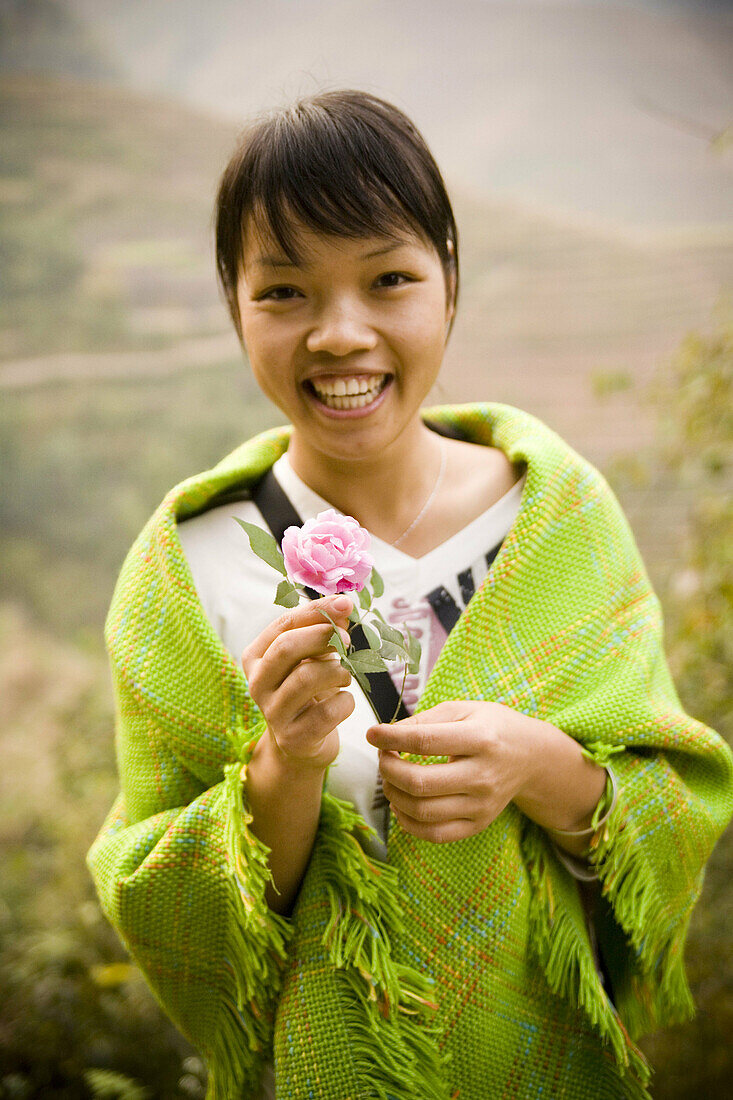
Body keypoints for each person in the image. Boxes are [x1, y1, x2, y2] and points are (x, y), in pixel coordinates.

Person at [88, 90, 733, 1100]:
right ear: (233, 305)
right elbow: (158, 892)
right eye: (285, 292)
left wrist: (540, 764)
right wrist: (284, 768)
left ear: (449, 286)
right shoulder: (187, 567)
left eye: (388, 279)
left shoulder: (559, 520)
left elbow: (675, 805)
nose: (340, 334)